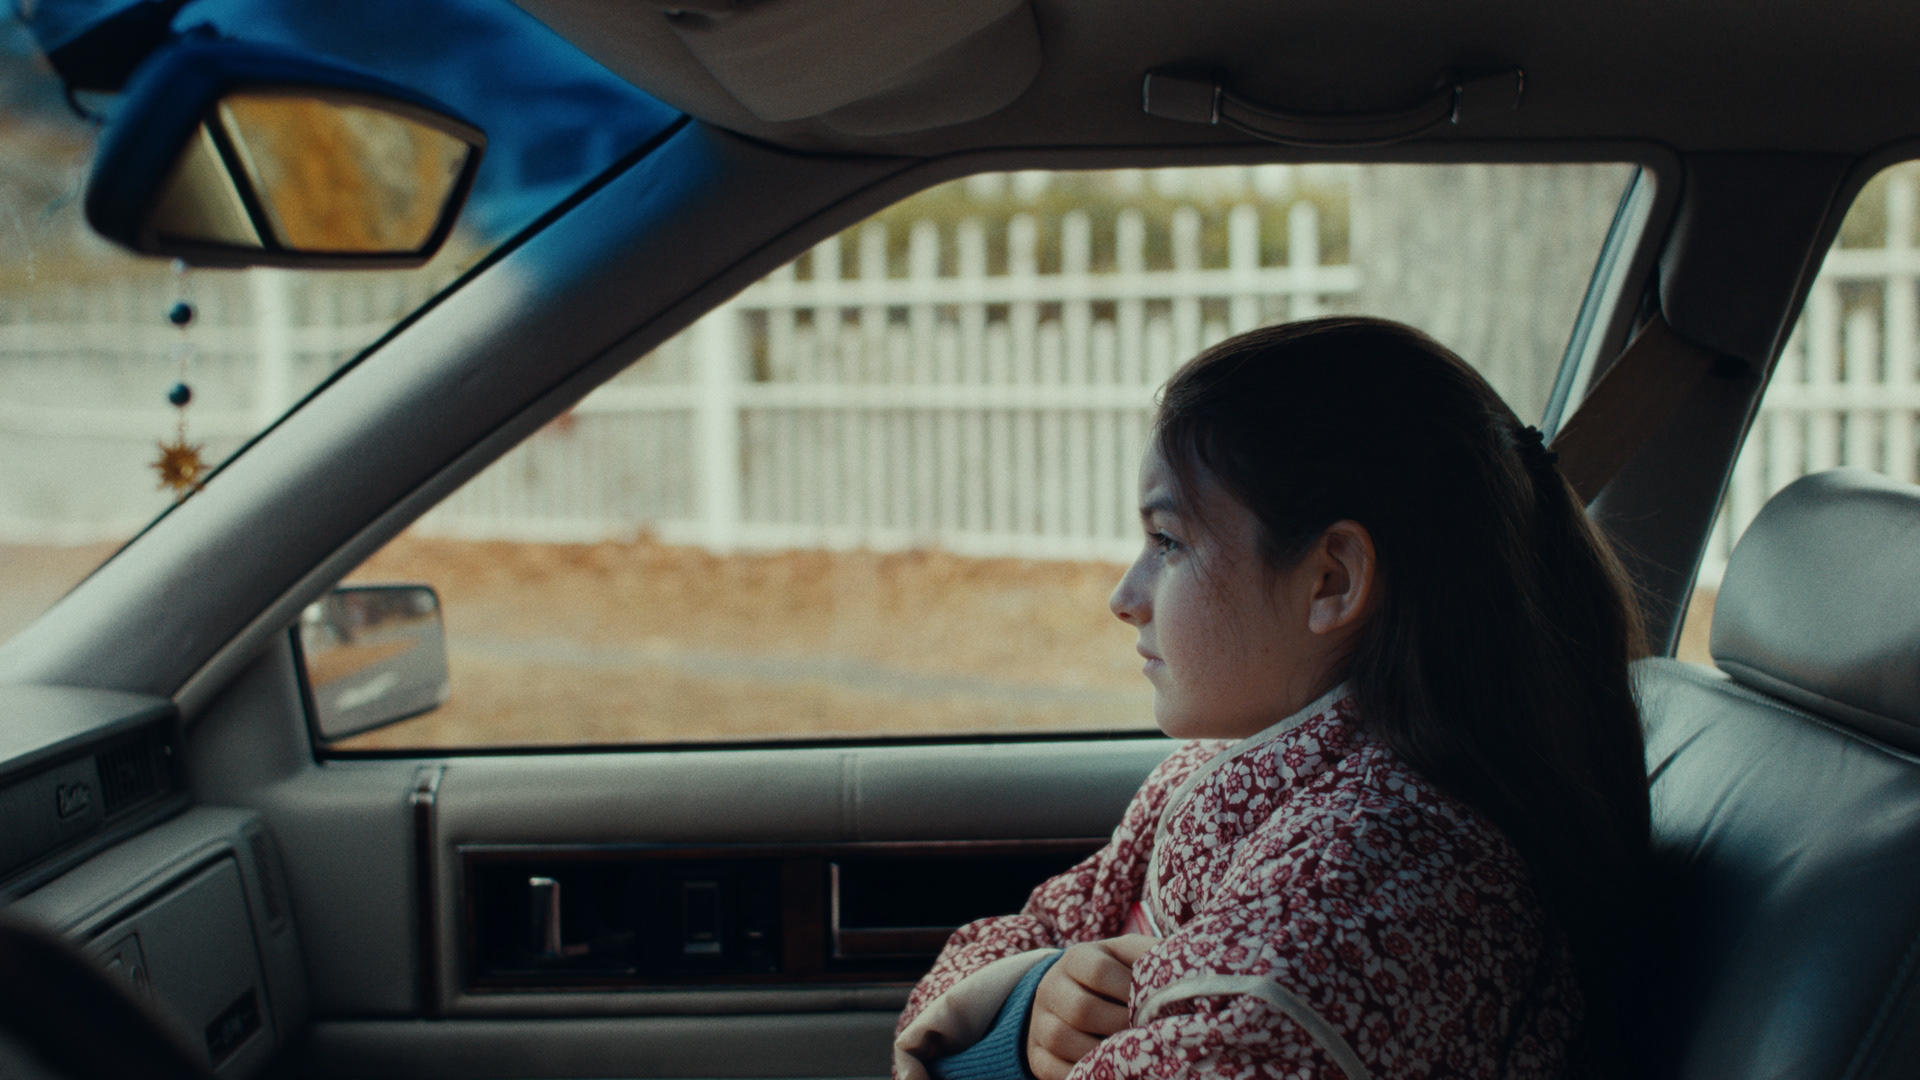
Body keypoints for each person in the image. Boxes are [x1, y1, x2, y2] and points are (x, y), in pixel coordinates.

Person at [892, 317, 1650, 1080]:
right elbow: (1036, 927)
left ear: (1331, 580)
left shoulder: (1373, 889)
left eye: (1168, 543)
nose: (1125, 598)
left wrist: (1003, 1042)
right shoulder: (1230, 780)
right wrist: (1034, 1002)